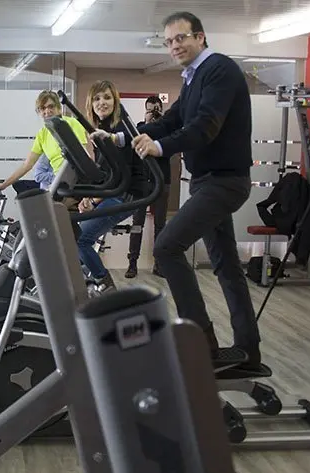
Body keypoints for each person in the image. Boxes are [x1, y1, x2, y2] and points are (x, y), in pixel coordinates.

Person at [108, 11, 261, 368]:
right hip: (208, 182)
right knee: (226, 266)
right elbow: (170, 122)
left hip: (224, 182)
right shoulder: (193, 79)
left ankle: (201, 342)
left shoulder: (219, 69)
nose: (175, 45)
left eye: (181, 38)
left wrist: (160, 148)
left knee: (166, 247)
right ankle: (248, 350)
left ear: (200, 37)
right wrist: (118, 137)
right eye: (169, 41)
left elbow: (205, 126)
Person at [76, 80, 148, 290]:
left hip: (126, 193)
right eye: (97, 99)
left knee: (82, 239)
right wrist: (86, 196)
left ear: (115, 101)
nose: (102, 103)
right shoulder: (102, 129)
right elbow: (104, 172)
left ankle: (105, 285)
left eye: (107, 97)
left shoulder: (117, 129)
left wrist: (94, 199)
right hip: (118, 191)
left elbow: (118, 174)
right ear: (90, 103)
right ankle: (81, 281)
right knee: (77, 234)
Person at [0, 90, 94, 192]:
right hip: (60, 181)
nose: (47, 111)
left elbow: (83, 155)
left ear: (59, 108)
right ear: (39, 112)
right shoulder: (42, 134)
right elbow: (27, 165)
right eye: (43, 108)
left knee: (46, 204)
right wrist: (3, 185)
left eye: (51, 106)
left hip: (77, 179)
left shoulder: (72, 123)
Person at [125, 95, 172, 278]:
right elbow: (135, 144)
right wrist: (147, 122)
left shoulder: (167, 129)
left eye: (156, 109)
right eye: (149, 109)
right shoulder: (139, 128)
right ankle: (132, 263)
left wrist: (159, 124)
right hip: (143, 182)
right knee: (137, 223)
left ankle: (159, 264)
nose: (153, 112)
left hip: (162, 181)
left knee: (160, 224)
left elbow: (169, 148)